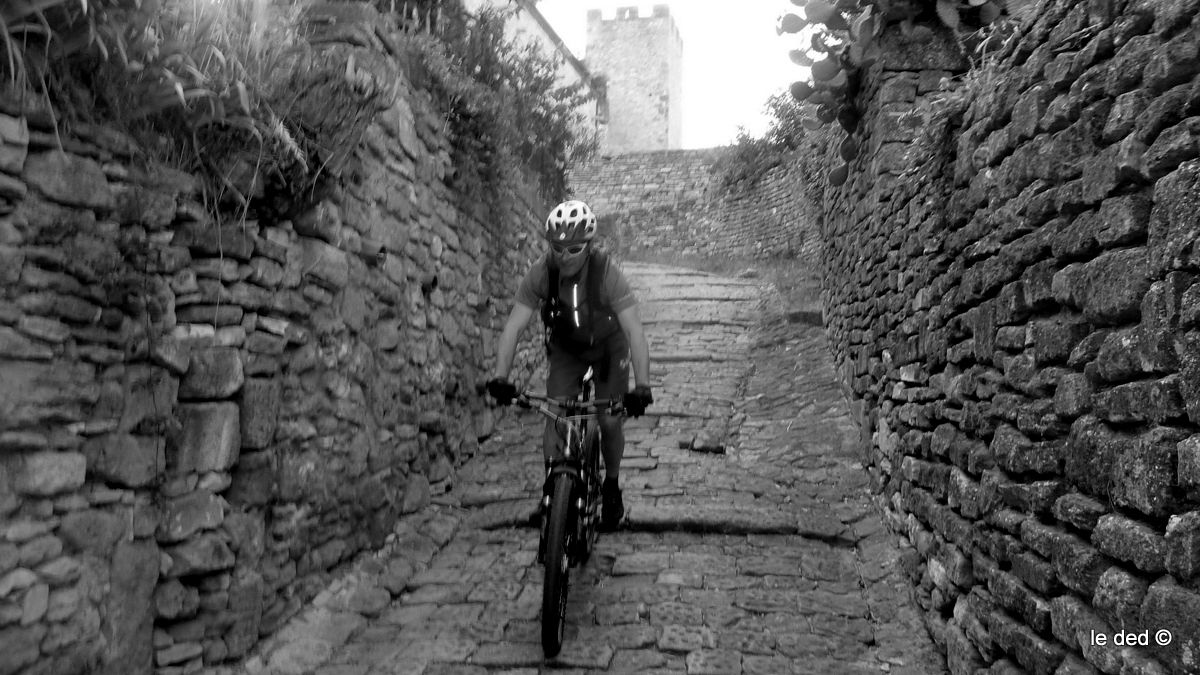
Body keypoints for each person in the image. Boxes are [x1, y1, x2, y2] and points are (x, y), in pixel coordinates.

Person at [486, 199, 653, 531]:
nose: (564, 256)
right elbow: (513, 327)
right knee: (556, 416)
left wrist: (642, 386)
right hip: (565, 350)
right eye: (558, 248)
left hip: (608, 349)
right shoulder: (542, 272)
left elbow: (634, 331)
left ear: (589, 246)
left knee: (608, 420)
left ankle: (611, 486)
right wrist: (500, 377)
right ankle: (553, 491)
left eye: (574, 248)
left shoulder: (607, 274)